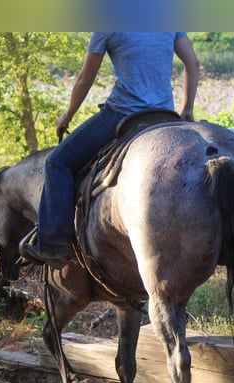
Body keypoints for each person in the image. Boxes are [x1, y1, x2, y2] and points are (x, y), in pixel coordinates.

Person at [21, 32, 200, 268]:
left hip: (123, 115)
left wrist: (67, 115)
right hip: (164, 115)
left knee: (57, 162)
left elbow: (85, 78)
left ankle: (54, 244)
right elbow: (193, 63)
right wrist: (186, 109)